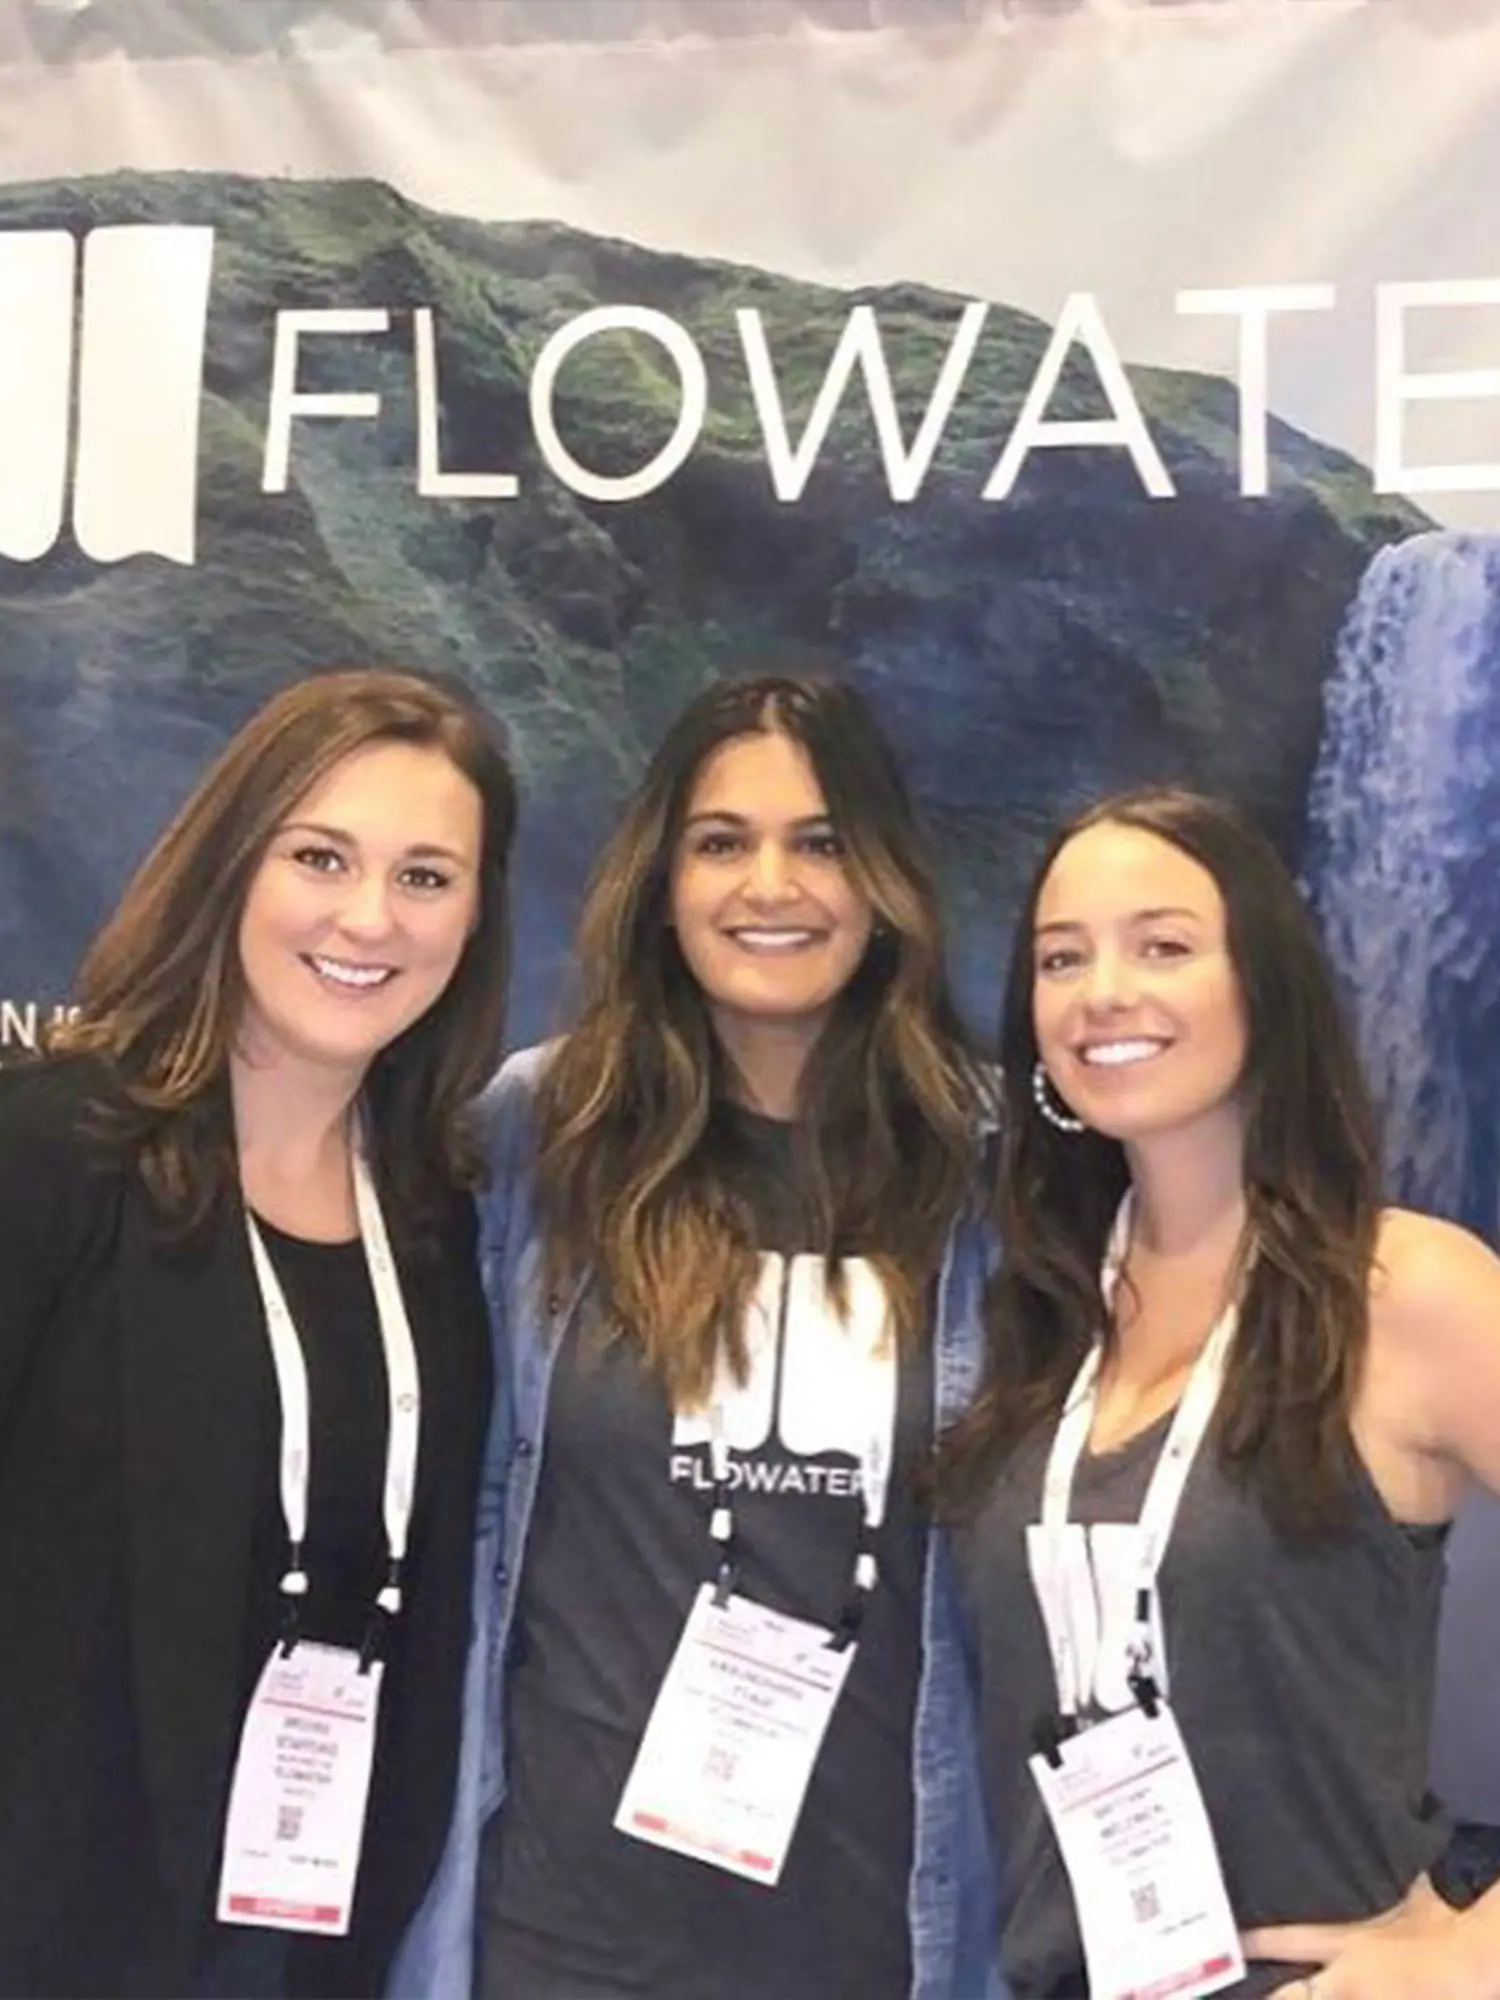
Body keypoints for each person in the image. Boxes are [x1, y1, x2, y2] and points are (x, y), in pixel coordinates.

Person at [392, 672, 1007, 2000]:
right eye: (722, 842)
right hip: (561, 1941)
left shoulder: (996, 1170)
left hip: (882, 1933)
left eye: (822, 842)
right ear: (664, 881)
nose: (768, 886)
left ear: (885, 878)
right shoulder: (535, 1136)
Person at [0, 669, 516, 2000]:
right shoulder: (51, 1150)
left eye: (425, 876)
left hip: (311, 1934)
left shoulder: (437, 1215)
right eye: (321, 857)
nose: (366, 918)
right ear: (234, 864)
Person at [938, 784, 1500, 2000]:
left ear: (1265, 986)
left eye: (1165, 945)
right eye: (1060, 957)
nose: (1103, 993)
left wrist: (1476, 1949)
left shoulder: (1405, 1291)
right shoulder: (1036, 1319)